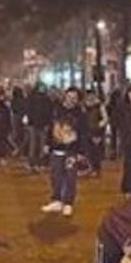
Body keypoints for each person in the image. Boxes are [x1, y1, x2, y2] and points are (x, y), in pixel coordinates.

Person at [43, 86, 88, 216]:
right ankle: (56, 200)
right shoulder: (56, 110)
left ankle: (68, 203)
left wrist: (81, 152)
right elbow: (51, 127)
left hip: (72, 150)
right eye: (69, 96)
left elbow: (84, 134)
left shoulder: (81, 114)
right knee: (55, 176)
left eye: (74, 98)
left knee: (70, 177)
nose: (71, 100)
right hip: (57, 148)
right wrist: (47, 143)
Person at [26, 83, 53, 170]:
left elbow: (49, 112)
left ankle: (40, 162)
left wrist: (47, 123)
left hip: (42, 124)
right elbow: (28, 111)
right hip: (34, 124)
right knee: (34, 144)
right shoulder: (33, 98)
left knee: (41, 144)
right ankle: (33, 162)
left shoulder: (46, 99)